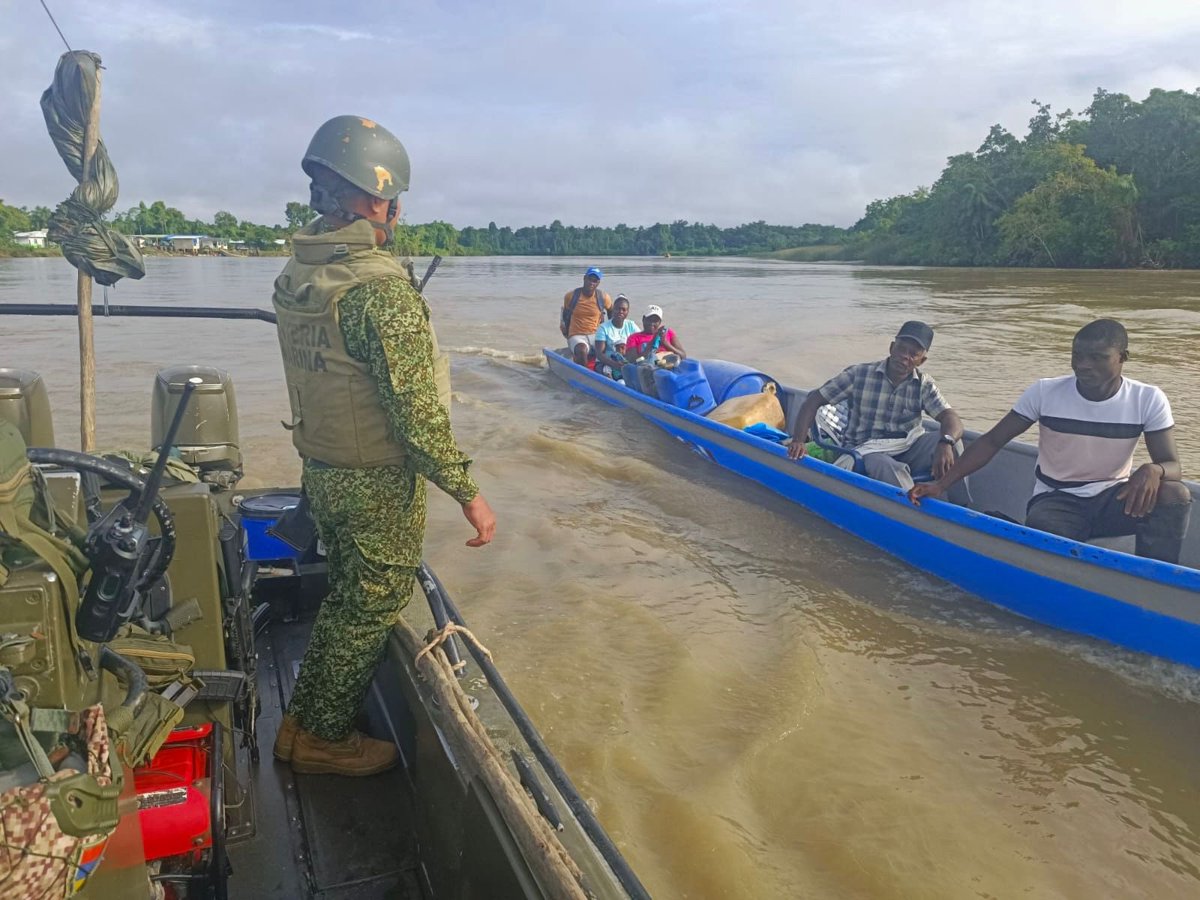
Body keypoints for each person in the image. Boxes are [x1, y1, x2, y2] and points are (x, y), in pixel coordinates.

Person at [270, 115, 496, 776]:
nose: (395, 212)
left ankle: (299, 722)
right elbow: (417, 415)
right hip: (373, 481)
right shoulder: (379, 292)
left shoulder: (299, 275)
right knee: (371, 604)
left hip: (324, 469)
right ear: (375, 200)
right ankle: (322, 738)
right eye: (393, 200)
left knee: (345, 594)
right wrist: (469, 494)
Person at [910, 319, 1191, 563]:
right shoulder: (1046, 392)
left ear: (1122, 357)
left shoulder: (1147, 399)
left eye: (1097, 357)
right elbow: (992, 442)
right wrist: (941, 485)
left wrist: (1156, 470)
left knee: (1174, 493)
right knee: (1045, 532)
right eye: (1077, 355)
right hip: (1057, 499)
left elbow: (1172, 465)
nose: (1083, 365)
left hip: (1112, 497)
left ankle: (1153, 577)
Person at [787, 321, 966, 494]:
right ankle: (912, 511)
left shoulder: (924, 384)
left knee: (954, 442)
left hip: (908, 445)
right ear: (891, 348)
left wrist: (946, 442)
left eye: (913, 354)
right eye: (901, 349)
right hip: (867, 449)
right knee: (887, 466)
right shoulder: (859, 375)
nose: (905, 357)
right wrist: (798, 440)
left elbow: (950, 417)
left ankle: (962, 509)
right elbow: (813, 400)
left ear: (921, 361)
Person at [560, 267, 612, 365]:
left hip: (596, 334)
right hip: (576, 335)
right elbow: (565, 317)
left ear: (598, 283)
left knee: (612, 349)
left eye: (595, 281)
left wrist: (611, 333)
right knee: (581, 350)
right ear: (584, 278)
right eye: (589, 279)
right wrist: (566, 334)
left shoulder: (603, 297)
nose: (591, 283)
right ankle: (584, 376)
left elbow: (611, 312)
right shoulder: (571, 296)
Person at [593, 294, 639, 376]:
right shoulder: (603, 328)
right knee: (608, 372)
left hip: (625, 361)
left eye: (624, 309)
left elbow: (641, 340)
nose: (621, 312)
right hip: (606, 362)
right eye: (618, 309)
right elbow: (599, 354)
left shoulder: (631, 325)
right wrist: (615, 365)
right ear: (613, 309)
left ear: (627, 312)